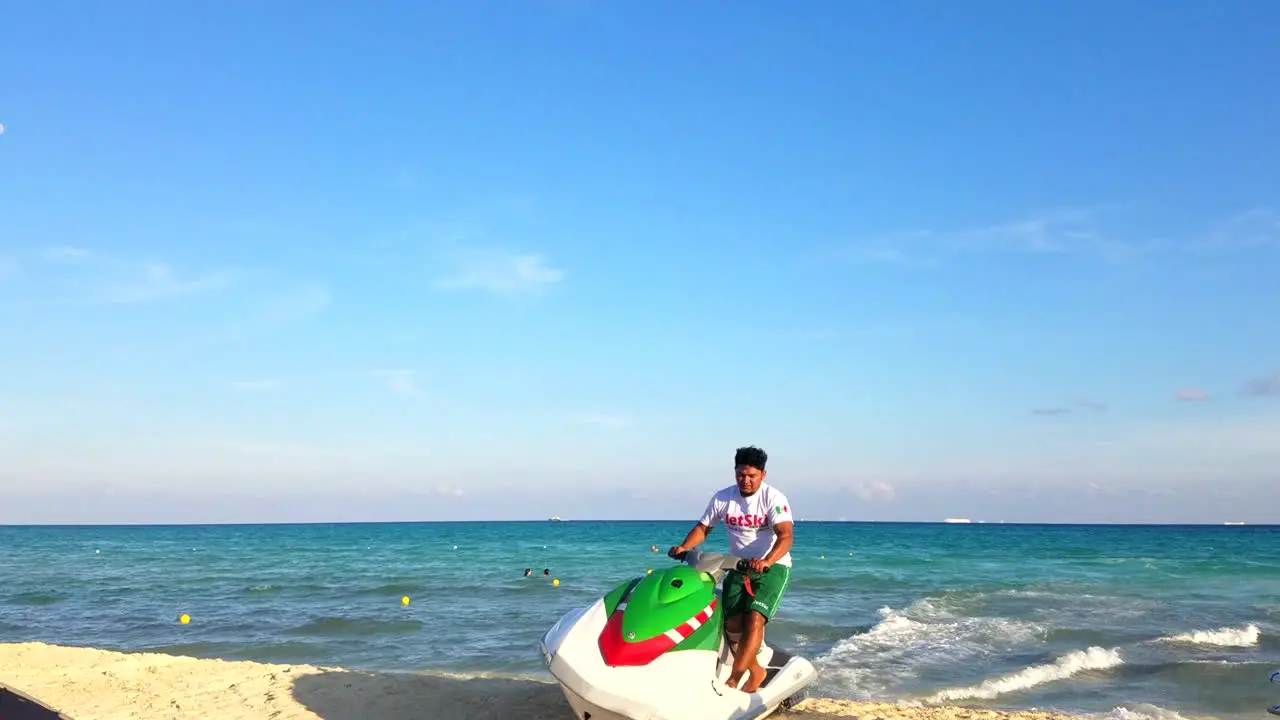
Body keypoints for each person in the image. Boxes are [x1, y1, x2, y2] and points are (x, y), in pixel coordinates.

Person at [668, 445, 794, 693]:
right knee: (732, 625)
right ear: (735, 472)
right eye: (740, 475)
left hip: (772, 567)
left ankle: (735, 679)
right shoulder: (723, 498)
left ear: (763, 475)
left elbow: (786, 535)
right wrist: (684, 547)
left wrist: (767, 560)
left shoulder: (774, 498)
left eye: (752, 476)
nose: (745, 481)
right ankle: (756, 670)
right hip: (738, 566)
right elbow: (704, 528)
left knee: (756, 618)